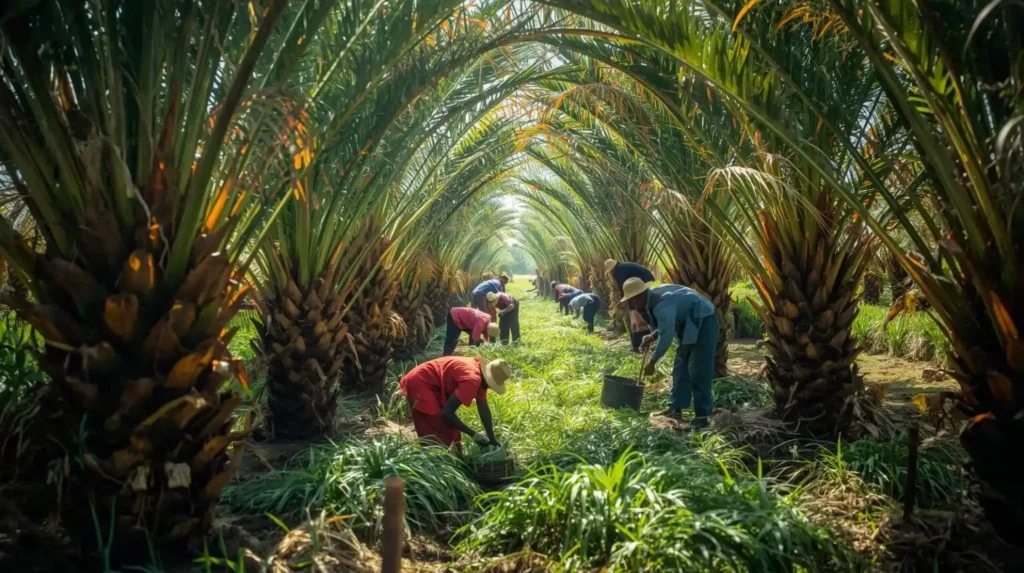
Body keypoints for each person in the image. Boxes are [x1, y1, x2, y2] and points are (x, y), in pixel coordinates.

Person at [621, 276, 718, 430]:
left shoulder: (662, 304)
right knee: (680, 366)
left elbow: (666, 337)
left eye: (632, 300)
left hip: (703, 319)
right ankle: (675, 408)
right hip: (688, 321)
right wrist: (652, 336)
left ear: (641, 294)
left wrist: (652, 362)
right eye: (629, 301)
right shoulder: (650, 301)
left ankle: (703, 417)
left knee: (699, 368)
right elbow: (667, 325)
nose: (631, 304)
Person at [399, 356, 511, 448]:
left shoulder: (479, 374)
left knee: (452, 435)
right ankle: (437, 466)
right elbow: (447, 414)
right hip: (420, 383)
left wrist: (492, 438)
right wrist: (474, 434)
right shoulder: (472, 380)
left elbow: (483, 408)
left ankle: (451, 463)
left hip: (431, 383)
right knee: (440, 433)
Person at [606, 259, 656, 353]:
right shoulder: (623, 266)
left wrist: (622, 301)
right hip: (646, 280)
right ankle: (642, 343)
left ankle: (639, 345)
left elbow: (623, 289)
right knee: (638, 312)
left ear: (612, 268)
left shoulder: (618, 272)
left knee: (637, 316)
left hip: (642, 284)